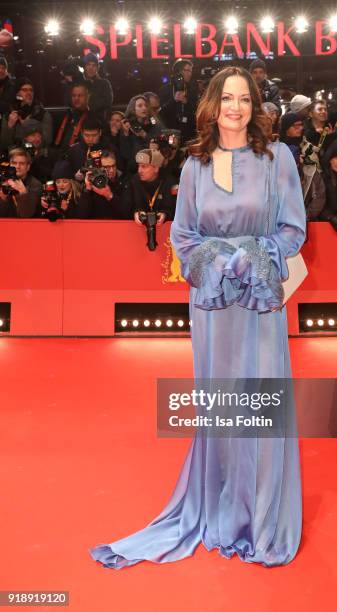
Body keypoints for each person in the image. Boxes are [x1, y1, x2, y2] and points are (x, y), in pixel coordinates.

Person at [89, 66, 306, 569]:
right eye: (227, 99)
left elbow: (293, 230)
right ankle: (221, 508)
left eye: (245, 100)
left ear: (255, 106)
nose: (236, 108)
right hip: (212, 302)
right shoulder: (194, 166)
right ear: (212, 105)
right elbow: (183, 236)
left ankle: (262, 518)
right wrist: (216, 261)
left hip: (256, 299)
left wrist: (250, 255)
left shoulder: (278, 160)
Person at [76, 149, 131, 219]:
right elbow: (81, 216)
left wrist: (110, 196)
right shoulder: (93, 183)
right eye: (106, 167)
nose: (111, 170)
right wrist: (87, 190)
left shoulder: (125, 181)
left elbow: (127, 213)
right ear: (98, 168)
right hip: (98, 227)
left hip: (118, 226)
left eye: (113, 166)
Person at [129, 148, 176, 225]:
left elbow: (176, 209)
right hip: (139, 228)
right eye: (139, 166)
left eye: (144, 166)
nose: (139, 170)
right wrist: (135, 212)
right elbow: (126, 207)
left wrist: (165, 214)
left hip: (164, 229)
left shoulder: (169, 182)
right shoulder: (134, 180)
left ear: (156, 168)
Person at [159, 59, 198, 144]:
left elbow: (197, 110)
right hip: (170, 133)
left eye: (191, 71)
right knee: (171, 154)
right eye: (187, 70)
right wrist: (174, 100)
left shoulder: (192, 89)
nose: (189, 74)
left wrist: (186, 102)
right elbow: (161, 112)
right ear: (178, 71)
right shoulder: (165, 89)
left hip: (189, 132)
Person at [0, 147, 41, 218]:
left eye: (21, 163)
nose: (17, 166)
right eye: (14, 163)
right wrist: (3, 199)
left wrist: (23, 193)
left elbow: (27, 215)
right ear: (9, 165)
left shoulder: (35, 184)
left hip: (26, 226)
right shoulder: (3, 182)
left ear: (28, 167)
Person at [82, 52, 113, 121]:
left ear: (97, 68)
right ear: (84, 67)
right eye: (88, 64)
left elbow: (107, 101)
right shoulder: (79, 82)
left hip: (99, 122)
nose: (91, 68)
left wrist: (88, 106)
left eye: (94, 65)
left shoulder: (104, 83)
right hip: (80, 122)